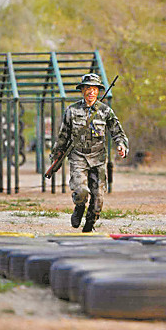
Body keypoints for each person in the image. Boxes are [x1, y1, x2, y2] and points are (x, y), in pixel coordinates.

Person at [51, 73, 129, 232]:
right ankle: (79, 208)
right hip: (78, 157)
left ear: (98, 91)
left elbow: (117, 132)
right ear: (82, 90)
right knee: (80, 192)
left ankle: (89, 226)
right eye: (88, 88)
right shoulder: (72, 111)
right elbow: (63, 135)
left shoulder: (105, 111)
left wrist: (121, 145)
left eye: (94, 89)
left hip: (98, 158)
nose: (91, 92)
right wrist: (56, 156)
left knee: (98, 198)